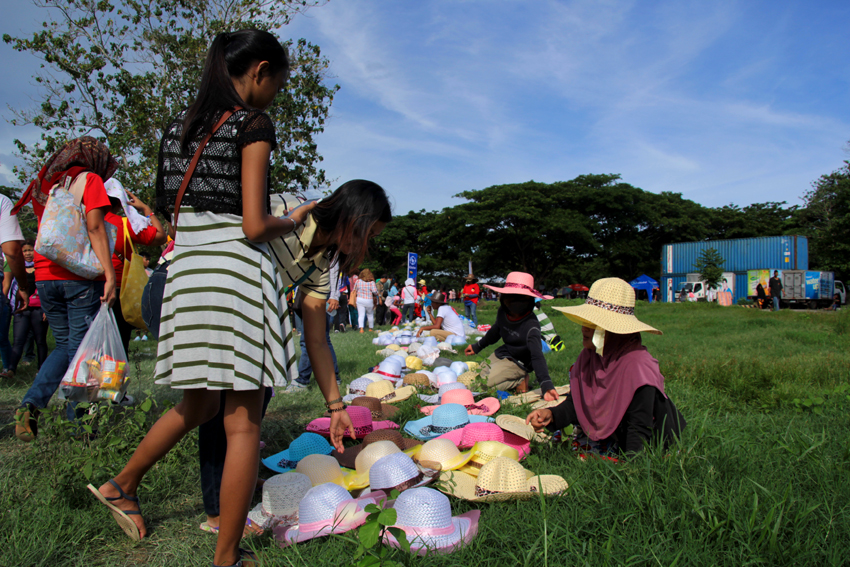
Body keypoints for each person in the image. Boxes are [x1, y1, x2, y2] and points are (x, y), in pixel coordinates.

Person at [89, 32, 390, 567]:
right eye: (277, 81)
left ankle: (123, 483)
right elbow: (252, 224)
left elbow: (315, 334)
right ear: (260, 70)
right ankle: (227, 554)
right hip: (234, 281)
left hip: (187, 277)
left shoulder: (179, 131)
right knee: (243, 422)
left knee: (199, 404)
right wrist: (291, 219)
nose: (275, 93)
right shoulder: (254, 127)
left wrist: (336, 405)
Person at [12, 137, 117, 442]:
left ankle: (30, 405)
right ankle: (80, 430)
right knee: (81, 353)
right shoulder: (90, 179)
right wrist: (109, 274)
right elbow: (96, 227)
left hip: (45, 276)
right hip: (79, 275)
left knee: (64, 347)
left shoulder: (47, 183)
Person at [527, 277, 686, 458]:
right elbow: (578, 403)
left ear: (617, 330)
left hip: (645, 439)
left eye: (594, 324)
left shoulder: (638, 367)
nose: (584, 328)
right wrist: (551, 414)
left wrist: (632, 470)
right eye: (585, 321)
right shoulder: (589, 358)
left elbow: (639, 426)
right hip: (614, 433)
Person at [464, 272, 557, 398]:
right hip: (501, 354)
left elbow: (537, 356)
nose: (515, 302)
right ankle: (509, 378)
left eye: (521, 298)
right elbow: (495, 331)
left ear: (529, 301)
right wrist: (477, 346)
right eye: (511, 297)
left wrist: (546, 385)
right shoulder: (503, 312)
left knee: (479, 386)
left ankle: (519, 380)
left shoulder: (531, 326)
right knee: (473, 378)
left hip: (518, 363)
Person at [104, 178, 167, 356]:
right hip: (117, 288)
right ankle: (114, 375)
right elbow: (161, 236)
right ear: (120, 202)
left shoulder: (85, 220)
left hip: (90, 285)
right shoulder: (123, 224)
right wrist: (146, 210)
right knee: (119, 340)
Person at [4, 240, 48, 376]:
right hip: (21, 309)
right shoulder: (16, 267)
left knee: (40, 340)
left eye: (30, 250)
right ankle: (11, 369)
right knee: (18, 340)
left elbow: (47, 289)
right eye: (25, 251)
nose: (28, 253)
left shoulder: (42, 266)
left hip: (39, 308)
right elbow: (9, 285)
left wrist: (48, 308)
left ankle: (42, 369)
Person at [352, 268, 378, 332]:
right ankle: (370, 328)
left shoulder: (358, 281)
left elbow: (354, 289)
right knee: (370, 314)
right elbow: (375, 291)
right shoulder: (372, 282)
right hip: (369, 300)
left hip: (360, 299)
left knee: (361, 315)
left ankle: (361, 329)